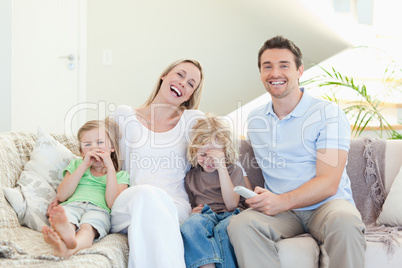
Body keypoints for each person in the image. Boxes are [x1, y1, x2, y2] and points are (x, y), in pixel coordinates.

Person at [227, 36, 367, 268]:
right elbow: (252, 167)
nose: (275, 73)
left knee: (346, 222)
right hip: (282, 214)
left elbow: (329, 182)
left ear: (299, 70)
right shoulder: (255, 120)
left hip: (327, 205)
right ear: (260, 73)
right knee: (240, 225)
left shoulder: (327, 113)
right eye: (267, 66)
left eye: (284, 65)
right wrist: (257, 196)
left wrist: (281, 201)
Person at [109, 59, 206, 268]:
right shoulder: (124, 115)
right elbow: (96, 151)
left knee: (154, 211)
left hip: (175, 207)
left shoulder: (193, 120)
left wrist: (210, 204)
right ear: (164, 76)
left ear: (190, 95)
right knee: (147, 195)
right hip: (130, 202)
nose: (183, 83)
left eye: (191, 84)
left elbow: (221, 152)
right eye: (180, 75)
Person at [42, 119, 130, 257]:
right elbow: (62, 196)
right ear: (82, 152)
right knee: (66, 219)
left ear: (112, 147)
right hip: (71, 205)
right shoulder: (77, 164)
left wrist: (109, 167)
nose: (94, 148)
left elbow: (112, 203)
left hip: (99, 209)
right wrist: (84, 166)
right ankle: (67, 237)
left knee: (88, 228)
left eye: (100, 143)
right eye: (87, 145)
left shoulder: (120, 175)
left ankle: (69, 247)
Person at [180, 114, 248, 268]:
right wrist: (194, 213)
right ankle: (207, 265)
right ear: (194, 151)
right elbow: (192, 204)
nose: (209, 161)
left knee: (224, 230)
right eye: (203, 155)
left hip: (231, 215)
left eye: (215, 156)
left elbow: (231, 205)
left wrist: (221, 166)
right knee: (190, 225)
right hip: (206, 215)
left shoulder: (233, 170)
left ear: (225, 153)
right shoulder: (191, 176)